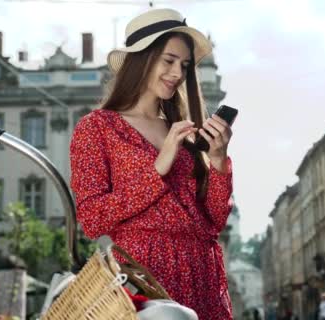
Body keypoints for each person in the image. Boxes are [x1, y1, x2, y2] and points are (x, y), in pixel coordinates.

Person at [69, 8, 234, 320]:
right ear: (141, 59)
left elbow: (212, 222)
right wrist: (158, 167)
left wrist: (218, 162)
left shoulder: (183, 129)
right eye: (168, 60)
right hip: (145, 276)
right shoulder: (97, 128)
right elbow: (91, 220)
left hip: (202, 274)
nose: (177, 73)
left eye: (184, 65)